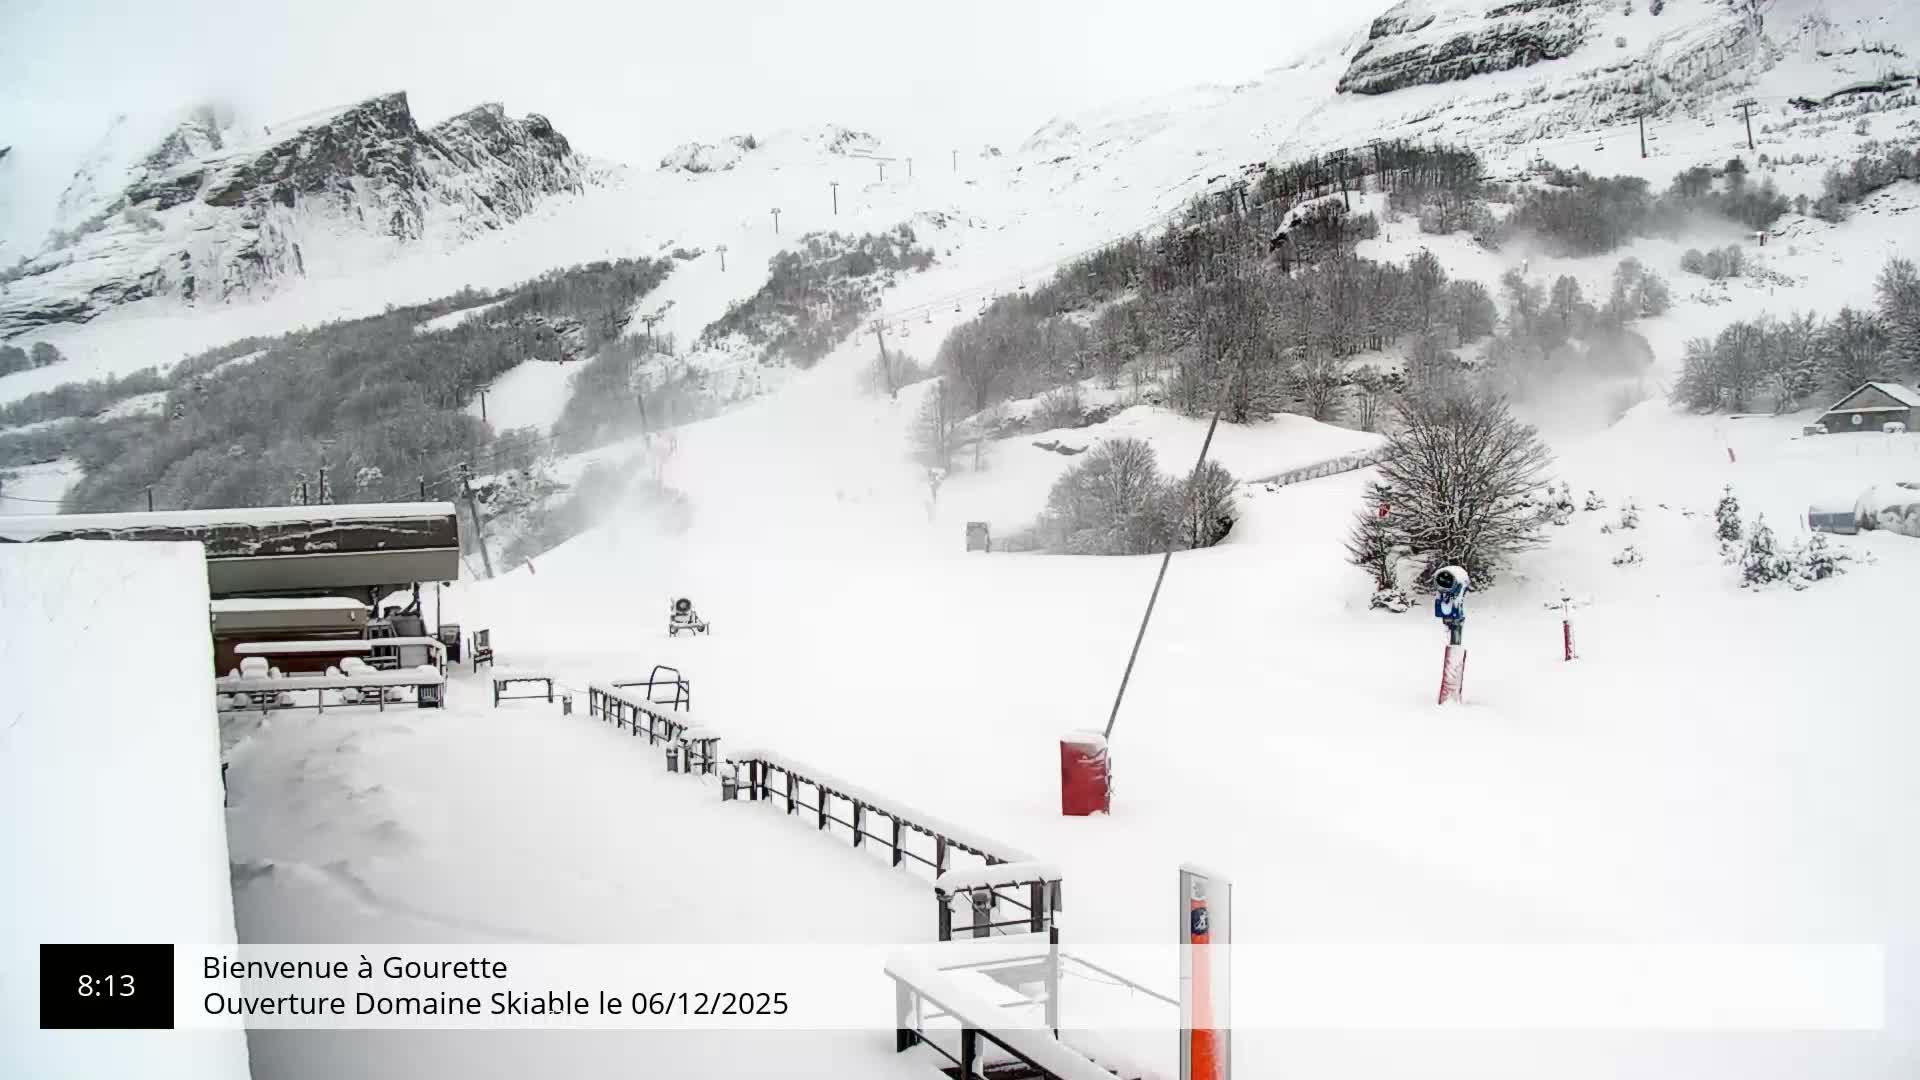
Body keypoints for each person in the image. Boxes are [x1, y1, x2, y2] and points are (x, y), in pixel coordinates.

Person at [1433, 566, 1468, 646]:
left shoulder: (1459, 583)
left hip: (1457, 589)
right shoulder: (1443, 589)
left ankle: (1455, 650)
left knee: (1455, 622)